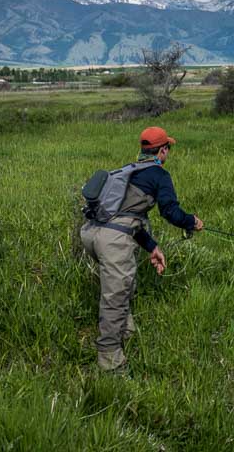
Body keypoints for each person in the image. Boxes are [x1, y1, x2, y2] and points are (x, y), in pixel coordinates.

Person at [80, 126, 204, 372]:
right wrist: (192, 221)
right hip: (113, 241)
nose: (168, 153)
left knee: (124, 286)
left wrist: (152, 247)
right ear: (162, 151)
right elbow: (170, 211)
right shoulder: (159, 175)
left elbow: (126, 219)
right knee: (114, 299)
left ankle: (126, 331)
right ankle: (110, 362)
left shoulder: (127, 171)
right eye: (167, 148)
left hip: (90, 234)